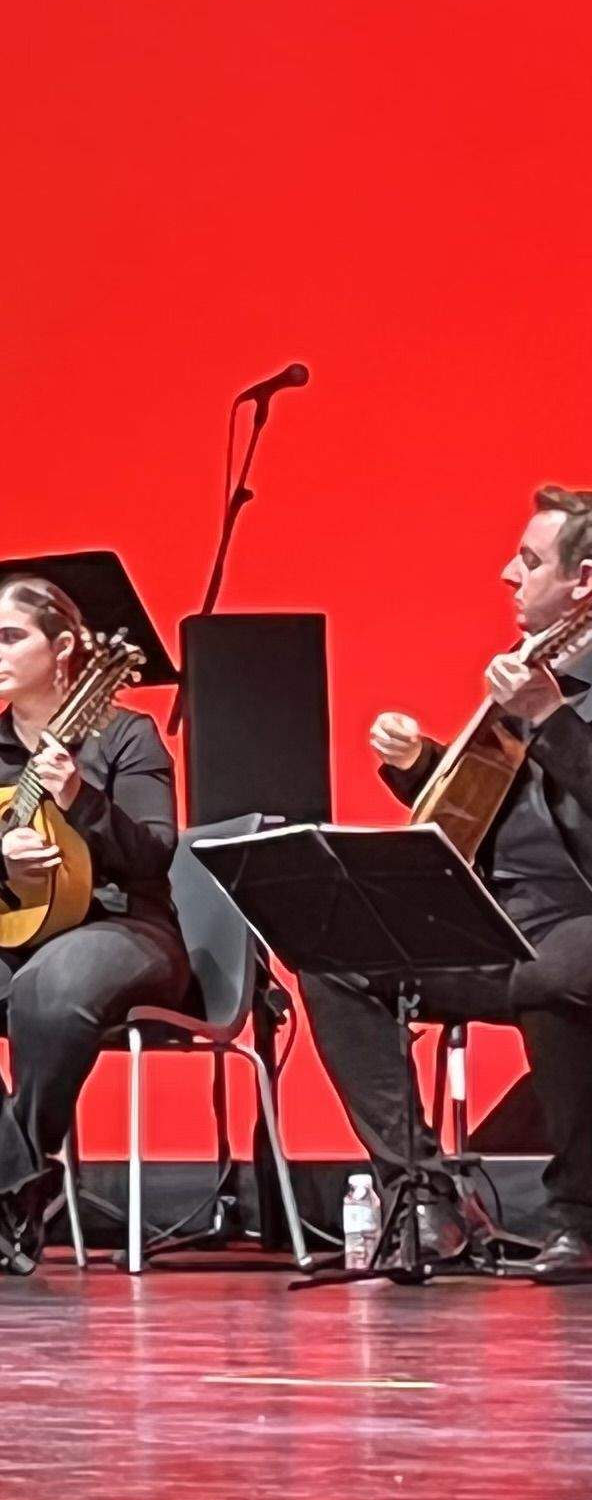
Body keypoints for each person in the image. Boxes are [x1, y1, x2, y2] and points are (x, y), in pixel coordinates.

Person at [301, 487, 592, 1281]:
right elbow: (495, 803)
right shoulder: (539, 667)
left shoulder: (552, 686)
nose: (508, 573)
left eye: (529, 561)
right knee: (334, 956)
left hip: (578, 924)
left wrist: (552, 718)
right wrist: (421, 766)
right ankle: (426, 1197)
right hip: (501, 921)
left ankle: (582, 1218)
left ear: (585, 579)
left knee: (554, 972)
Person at [0, 576, 185, 1258]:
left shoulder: (125, 735)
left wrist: (83, 801)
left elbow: (154, 854)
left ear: (64, 648)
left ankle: (11, 1178)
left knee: (49, 992)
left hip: (123, 925)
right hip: (11, 926)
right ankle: (13, 1181)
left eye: (10, 638)